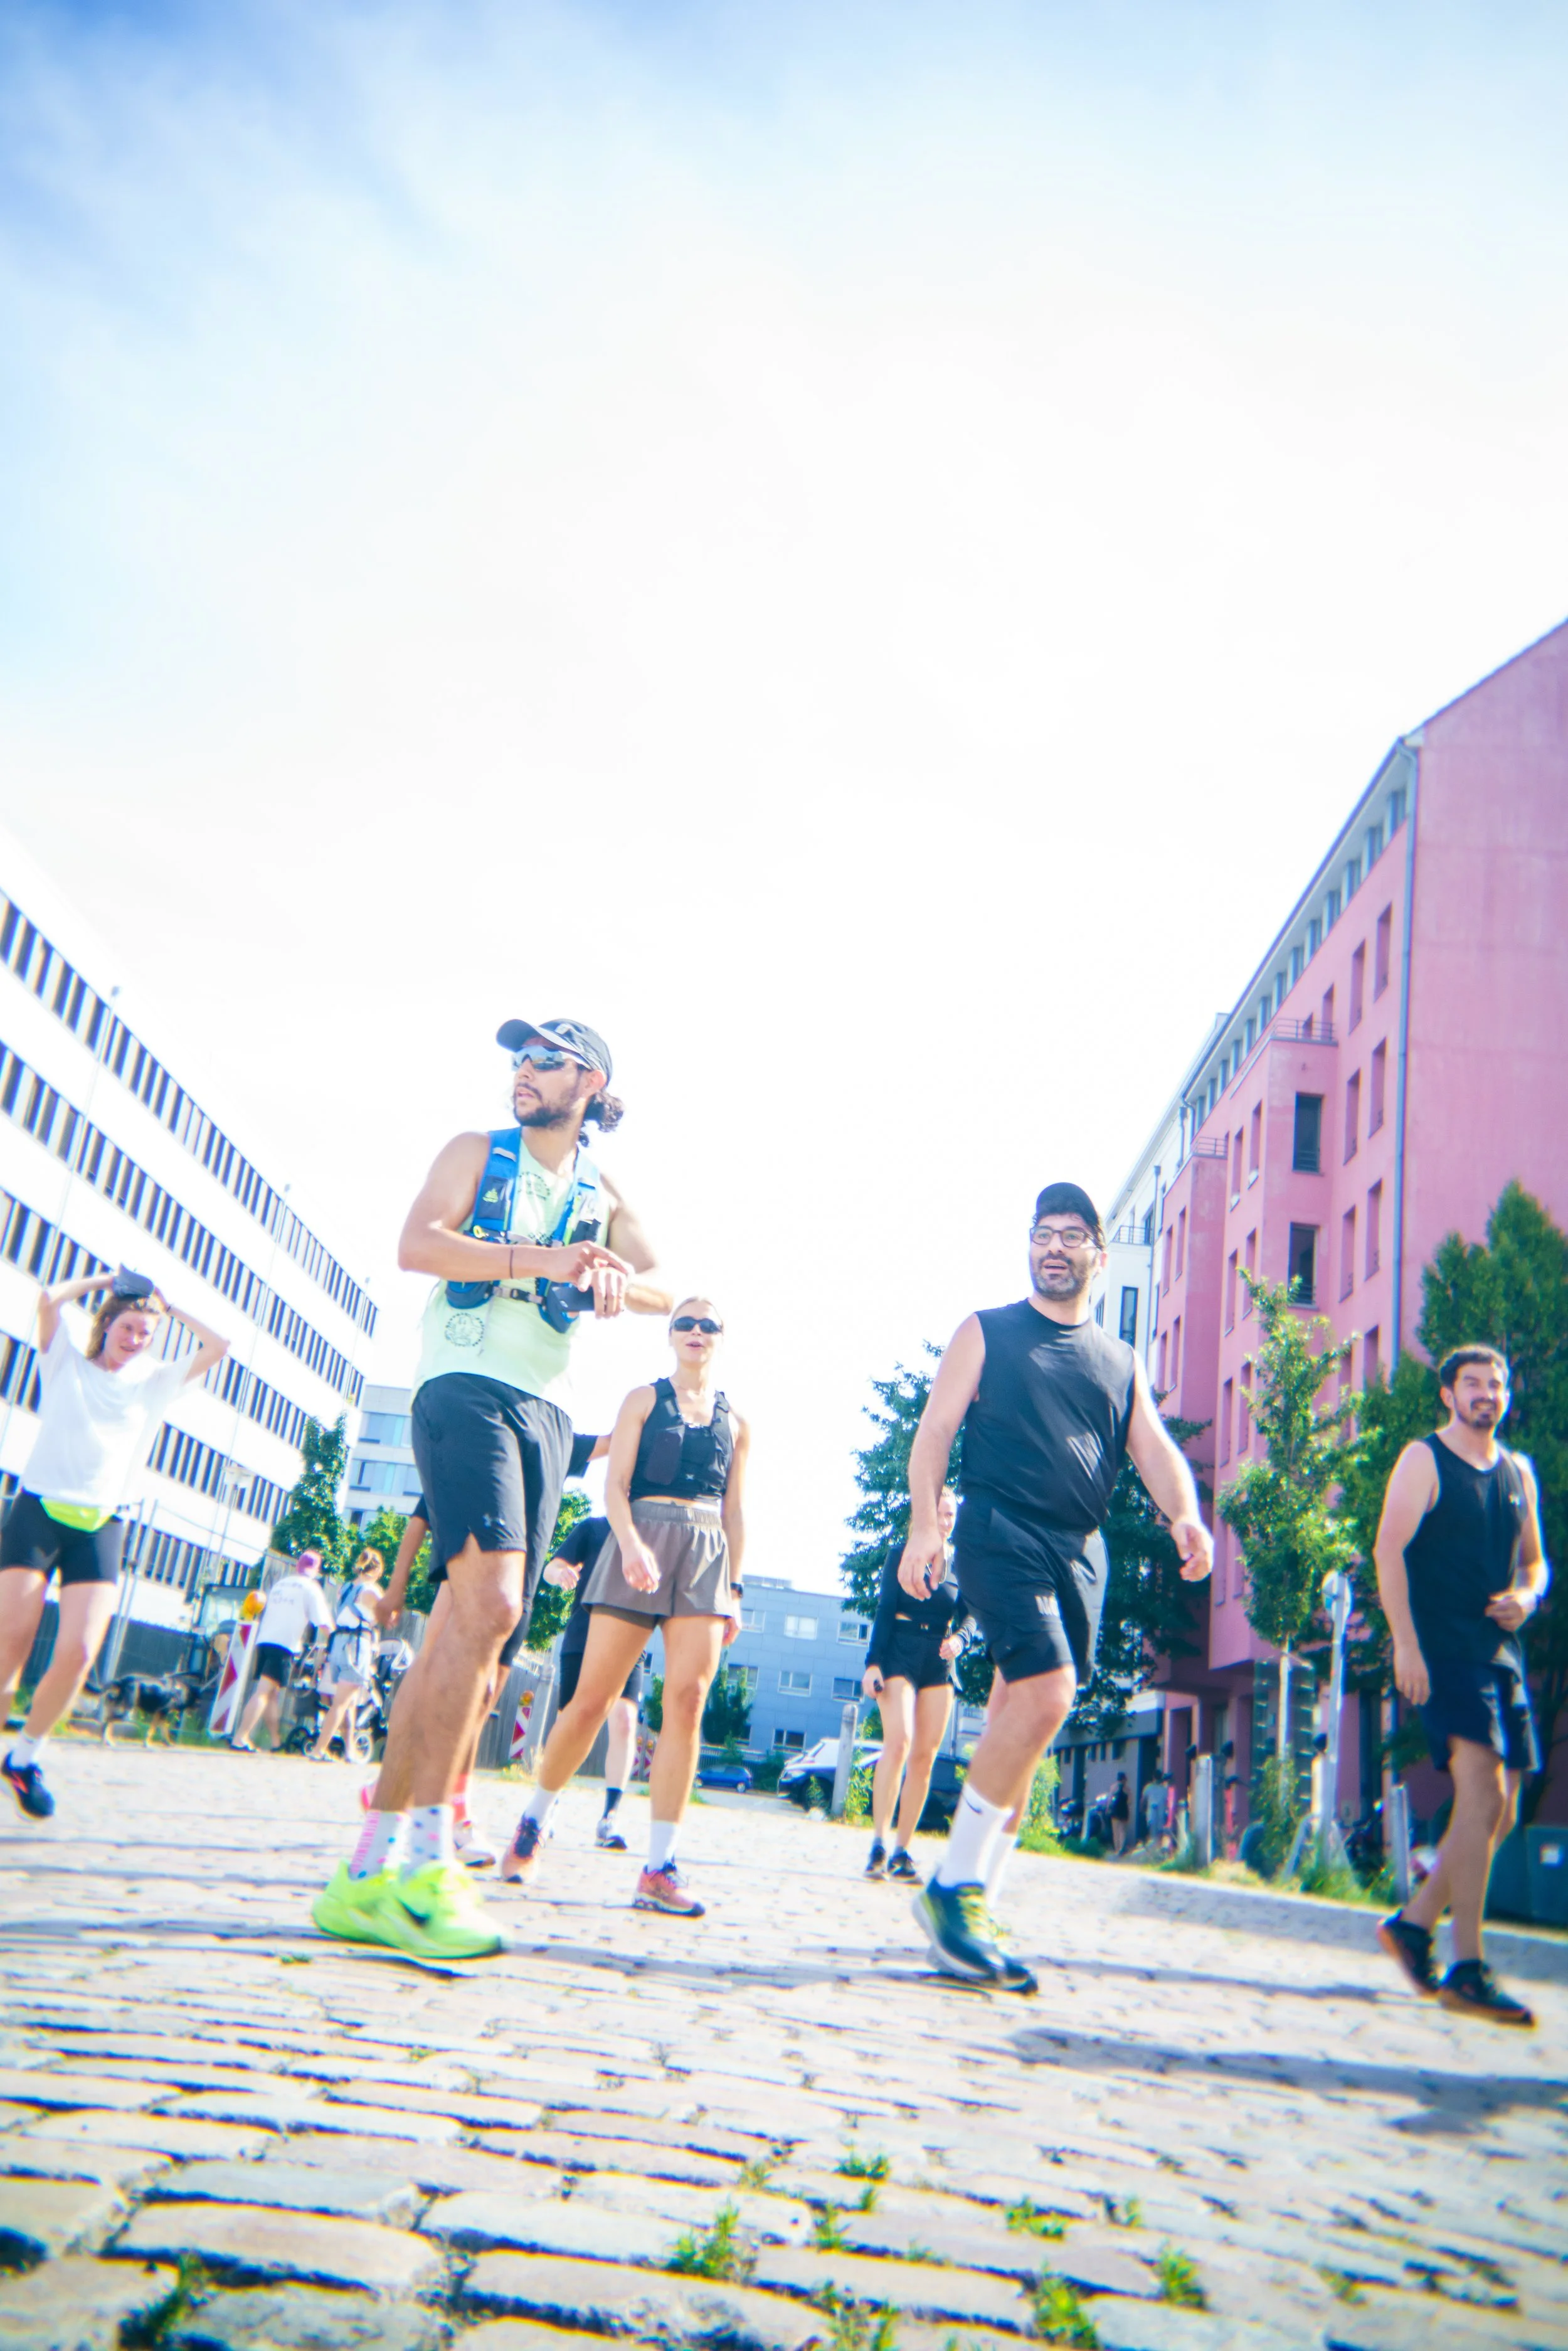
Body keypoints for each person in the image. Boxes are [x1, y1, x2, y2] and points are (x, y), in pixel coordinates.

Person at [312, 1017, 667, 1964]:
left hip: (548, 1409)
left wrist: (607, 1277)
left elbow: (664, 1283)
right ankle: (431, 1867)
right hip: (462, 1382)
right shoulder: (477, 1151)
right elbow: (417, 1246)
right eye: (519, 1056)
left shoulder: (603, 1190)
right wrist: (539, 1259)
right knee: (497, 1602)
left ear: (588, 1081)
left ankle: (366, 1871)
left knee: (473, 1630)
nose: (524, 1070)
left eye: (545, 1059)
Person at [897, 1182, 1212, 1992]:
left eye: (1073, 1236)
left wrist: (1185, 1516)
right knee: (1049, 1692)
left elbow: (1154, 1449)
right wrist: (925, 1528)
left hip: (1080, 1551)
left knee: (1020, 1718)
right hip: (1000, 1530)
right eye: (1043, 1233)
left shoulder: (1119, 1361)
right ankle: (952, 1890)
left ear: (1099, 1260)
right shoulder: (987, 1331)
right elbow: (933, 1430)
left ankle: (974, 1911)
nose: (1055, 1247)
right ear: (1027, 1246)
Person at [501, 1297, 749, 1916]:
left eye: (707, 1324)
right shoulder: (643, 1399)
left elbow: (737, 1510)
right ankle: (534, 1818)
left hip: (705, 1553)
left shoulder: (738, 1421)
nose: (696, 1331)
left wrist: (735, 1588)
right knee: (592, 1702)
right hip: (638, 1537)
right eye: (685, 1322)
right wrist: (631, 1541)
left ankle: (659, 1866)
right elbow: (614, 1484)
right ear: (670, 1335)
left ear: (723, 1337)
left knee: (687, 1703)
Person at [1, 1269, 228, 1822]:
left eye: (145, 1333)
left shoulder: (156, 1382)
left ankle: (25, 1757)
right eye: (128, 1327)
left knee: (79, 1651)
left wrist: (168, 1308)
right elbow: (49, 1300)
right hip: (39, 1512)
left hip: (103, 1523)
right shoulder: (65, 1365)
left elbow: (219, 1346)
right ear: (107, 1325)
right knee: (11, 1640)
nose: (135, 1339)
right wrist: (108, 1278)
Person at [1373, 1345, 1549, 2029]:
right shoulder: (1425, 1459)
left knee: (1501, 1812)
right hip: (1442, 1648)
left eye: (1496, 1383)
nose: (1486, 1393)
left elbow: (1535, 1562)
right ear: (1448, 1394)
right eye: (1472, 1383)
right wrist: (1406, 1645)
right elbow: (1388, 1548)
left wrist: (1527, 1598)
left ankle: (1414, 1925)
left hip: (1499, 1652)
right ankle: (1468, 1968)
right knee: (1480, 1790)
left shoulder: (1518, 1472)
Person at [862, 1485, 967, 1883]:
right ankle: (878, 1844)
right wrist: (873, 1664)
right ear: (923, 1515)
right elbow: (885, 1611)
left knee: (925, 1756)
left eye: (950, 1515)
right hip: (899, 1654)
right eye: (939, 1513)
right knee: (900, 1741)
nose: (945, 1521)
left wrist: (961, 1640)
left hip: (939, 1660)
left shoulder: (962, 1565)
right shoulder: (901, 1555)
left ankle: (903, 1851)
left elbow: (971, 1617)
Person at [543, 1507, 649, 1850]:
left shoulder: (655, 1532)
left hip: (629, 1640)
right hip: (582, 1636)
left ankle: (610, 1819)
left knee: (624, 1720)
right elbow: (551, 1567)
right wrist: (560, 1573)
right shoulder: (593, 1528)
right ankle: (547, 1806)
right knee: (568, 1724)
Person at [232, 1547, 332, 1751]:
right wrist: (337, 1640)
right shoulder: (311, 1588)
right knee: (263, 1692)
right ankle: (240, 1737)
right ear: (316, 1570)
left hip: (265, 1641)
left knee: (271, 1694)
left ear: (298, 1565)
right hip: (284, 1644)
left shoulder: (281, 1584)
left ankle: (277, 1742)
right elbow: (324, 1623)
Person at [309, 1547, 396, 1761]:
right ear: (376, 1571)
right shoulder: (372, 1591)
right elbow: (390, 1619)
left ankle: (349, 1750)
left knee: (349, 1700)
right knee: (341, 1702)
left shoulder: (346, 1587)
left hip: (338, 1643)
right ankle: (319, 1750)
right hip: (356, 1645)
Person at [1110, 1770, 1131, 1854]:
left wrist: (1108, 1808)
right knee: (1122, 1830)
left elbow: (1110, 1800)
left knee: (1116, 1831)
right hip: (1124, 1811)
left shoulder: (1113, 1788)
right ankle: (1121, 1848)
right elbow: (1130, 1801)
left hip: (1115, 1811)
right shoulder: (1127, 1789)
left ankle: (1117, 1848)